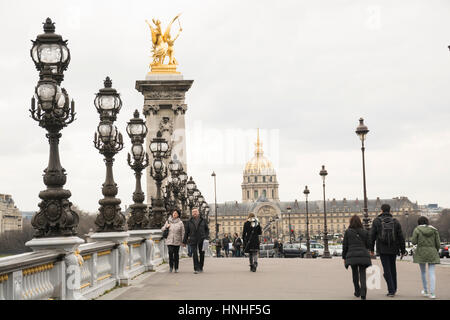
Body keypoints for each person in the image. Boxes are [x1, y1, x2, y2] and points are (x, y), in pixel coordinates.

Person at [369, 204, 406, 297]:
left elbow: (372, 236)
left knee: (387, 269)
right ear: (390, 211)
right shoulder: (395, 221)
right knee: (393, 268)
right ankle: (394, 287)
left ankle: (391, 290)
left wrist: (371, 249)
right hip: (394, 248)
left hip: (382, 248)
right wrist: (403, 249)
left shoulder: (377, 221)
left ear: (381, 210)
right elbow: (401, 237)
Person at [342, 215, 372, 300]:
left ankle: (357, 291)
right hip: (363, 255)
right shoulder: (365, 231)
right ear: (360, 222)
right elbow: (369, 245)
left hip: (352, 255)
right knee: (362, 274)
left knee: (354, 274)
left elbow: (345, 246)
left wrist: (344, 257)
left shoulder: (348, 232)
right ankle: (363, 293)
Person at [411, 216, 440, 299]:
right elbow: (438, 243)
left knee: (423, 272)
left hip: (421, 252)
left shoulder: (417, 229)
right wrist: (435, 250)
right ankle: (433, 293)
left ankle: (426, 291)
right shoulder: (434, 230)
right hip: (432, 251)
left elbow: (413, 241)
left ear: (419, 222)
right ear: (427, 222)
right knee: (432, 273)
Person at [182, 208, 209, 274]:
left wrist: (206, 237)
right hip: (193, 239)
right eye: (193, 212)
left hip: (202, 239)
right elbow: (186, 232)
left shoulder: (203, 220)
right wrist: (184, 241)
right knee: (195, 254)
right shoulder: (189, 221)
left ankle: (201, 267)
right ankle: (196, 268)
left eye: (195, 212)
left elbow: (207, 230)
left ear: (198, 212)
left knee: (202, 253)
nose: (194, 213)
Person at [161, 209, 185, 273]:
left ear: (178, 215)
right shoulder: (168, 221)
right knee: (170, 253)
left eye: (176, 213)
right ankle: (171, 267)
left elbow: (183, 233)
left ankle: (176, 267)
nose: (174, 214)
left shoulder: (180, 223)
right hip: (169, 240)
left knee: (176, 255)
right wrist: (166, 227)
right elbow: (162, 229)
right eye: (174, 213)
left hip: (177, 241)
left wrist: (183, 241)